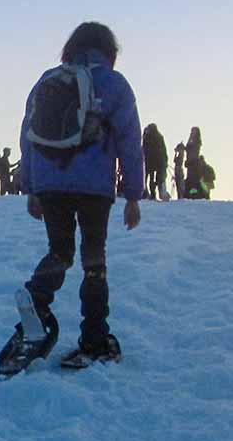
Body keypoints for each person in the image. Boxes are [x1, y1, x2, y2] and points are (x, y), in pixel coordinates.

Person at [14, 21, 143, 367]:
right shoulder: (114, 84)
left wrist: (31, 188)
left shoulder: (48, 79)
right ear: (109, 51)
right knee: (93, 261)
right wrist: (133, 195)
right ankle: (94, 339)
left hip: (51, 184)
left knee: (59, 251)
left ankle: (36, 301)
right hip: (94, 188)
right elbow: (130, 141)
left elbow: (28, 135)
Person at [142, 123, 169, 200]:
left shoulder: (146, 137)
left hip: (149, 161)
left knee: (149, 178)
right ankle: (155, 193)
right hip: (158, 162)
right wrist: (165, 160)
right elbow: (163, 150)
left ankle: (149, 193)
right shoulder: (159, 137)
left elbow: (144, 149)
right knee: (156, 178)